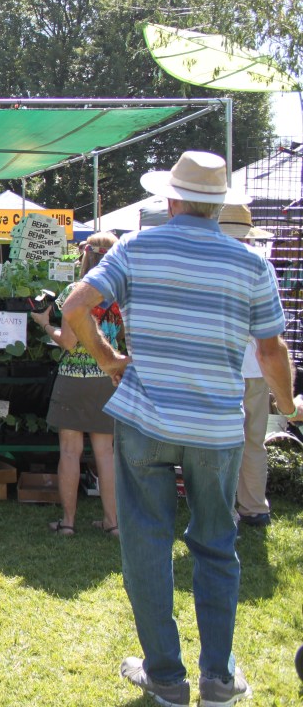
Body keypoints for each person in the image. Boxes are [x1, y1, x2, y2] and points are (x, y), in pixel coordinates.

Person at [62, 150, 299, 707]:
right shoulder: (252, 264)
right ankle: (218, 677)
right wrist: (289, 405)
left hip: (145, 418)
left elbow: (75, 307)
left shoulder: (136, 248)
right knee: (216, 545)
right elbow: (271, 351)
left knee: (146, 544)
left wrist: (109, 359)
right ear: (219, 206)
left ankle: (165, 676)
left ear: (171, 200)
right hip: (216, 427)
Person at [30, 232, 123, 537]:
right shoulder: (121, 294)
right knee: (105, 453)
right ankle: (112, 522)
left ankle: (68, 523)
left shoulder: (75, 291)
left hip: (72, 379)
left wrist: (45, 324)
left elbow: (68, 342)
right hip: (107, 378)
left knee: (70, 451)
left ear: (86, 256)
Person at [217, 202, 276, 528]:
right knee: (253, 441)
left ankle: (223, 510)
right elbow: (273, 326)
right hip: (256, 367)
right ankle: (254, 507)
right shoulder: (262, 266)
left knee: (221, 443)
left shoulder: (211, 264)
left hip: (221, 368)